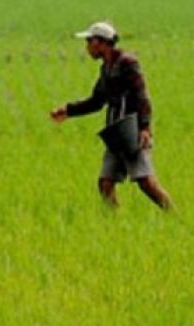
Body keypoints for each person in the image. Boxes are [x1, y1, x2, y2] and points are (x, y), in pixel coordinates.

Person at [49, 21, 174, 211]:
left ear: (102, 42)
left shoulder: (127, 63)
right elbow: (97, 101)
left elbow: (142, 96)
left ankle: (174, 216)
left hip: (131, 130)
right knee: (105, 183)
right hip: (116, 132)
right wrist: (68, 110)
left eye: (90, 41)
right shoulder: (106, 68)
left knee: (146, 182)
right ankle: (114, 224)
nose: (87, 47)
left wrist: (145, 128)